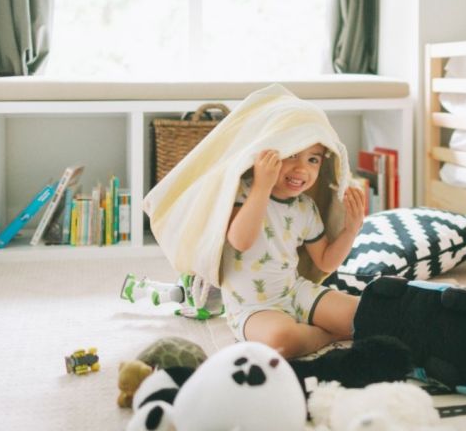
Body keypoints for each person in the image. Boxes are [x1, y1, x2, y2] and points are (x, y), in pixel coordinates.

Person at [122, 143, 366, 359]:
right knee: (282, 341)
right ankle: (327, 335)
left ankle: (318, 326)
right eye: (291, 155)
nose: (302, 169)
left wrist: (351, 230)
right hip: (250, 308)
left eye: (313, 159)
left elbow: (325, 262)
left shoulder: (306, 207)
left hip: (294, 291)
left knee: (363, 314)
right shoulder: (242, 192)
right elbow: (241, 240)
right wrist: (262, 186)